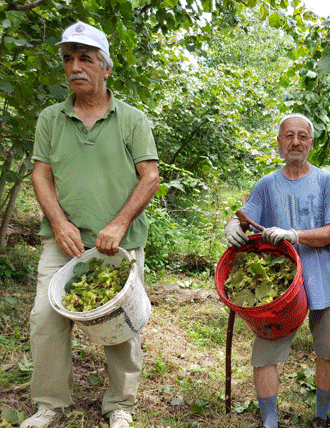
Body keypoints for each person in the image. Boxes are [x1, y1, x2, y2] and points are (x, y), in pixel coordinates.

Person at [23, 22, 159, 428]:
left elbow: (149, 176)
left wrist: (117, 225)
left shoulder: (131, 119)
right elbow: (41, 175)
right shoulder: (51, 118)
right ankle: (50, 403)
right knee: (45, 319)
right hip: (62, 240)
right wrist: (59, 223)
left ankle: (120, 404)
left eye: (86, 58)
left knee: (121, 321)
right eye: (68, 59)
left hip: (118, 243)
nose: (75, 67)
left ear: (106, 68)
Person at [224, 113, 330, 428]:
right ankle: (270, 422)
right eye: (288, 136)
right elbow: (245, 219)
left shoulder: (326, 181)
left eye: (302, 136)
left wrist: (294, 235)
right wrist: (232, 227)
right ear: (279, 142)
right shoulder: (267, 185)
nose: (295, 142)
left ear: (310, 142)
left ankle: (321, 417)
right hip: (278, 285)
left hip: (327, 276)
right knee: (266, 352)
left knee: (329, 350)